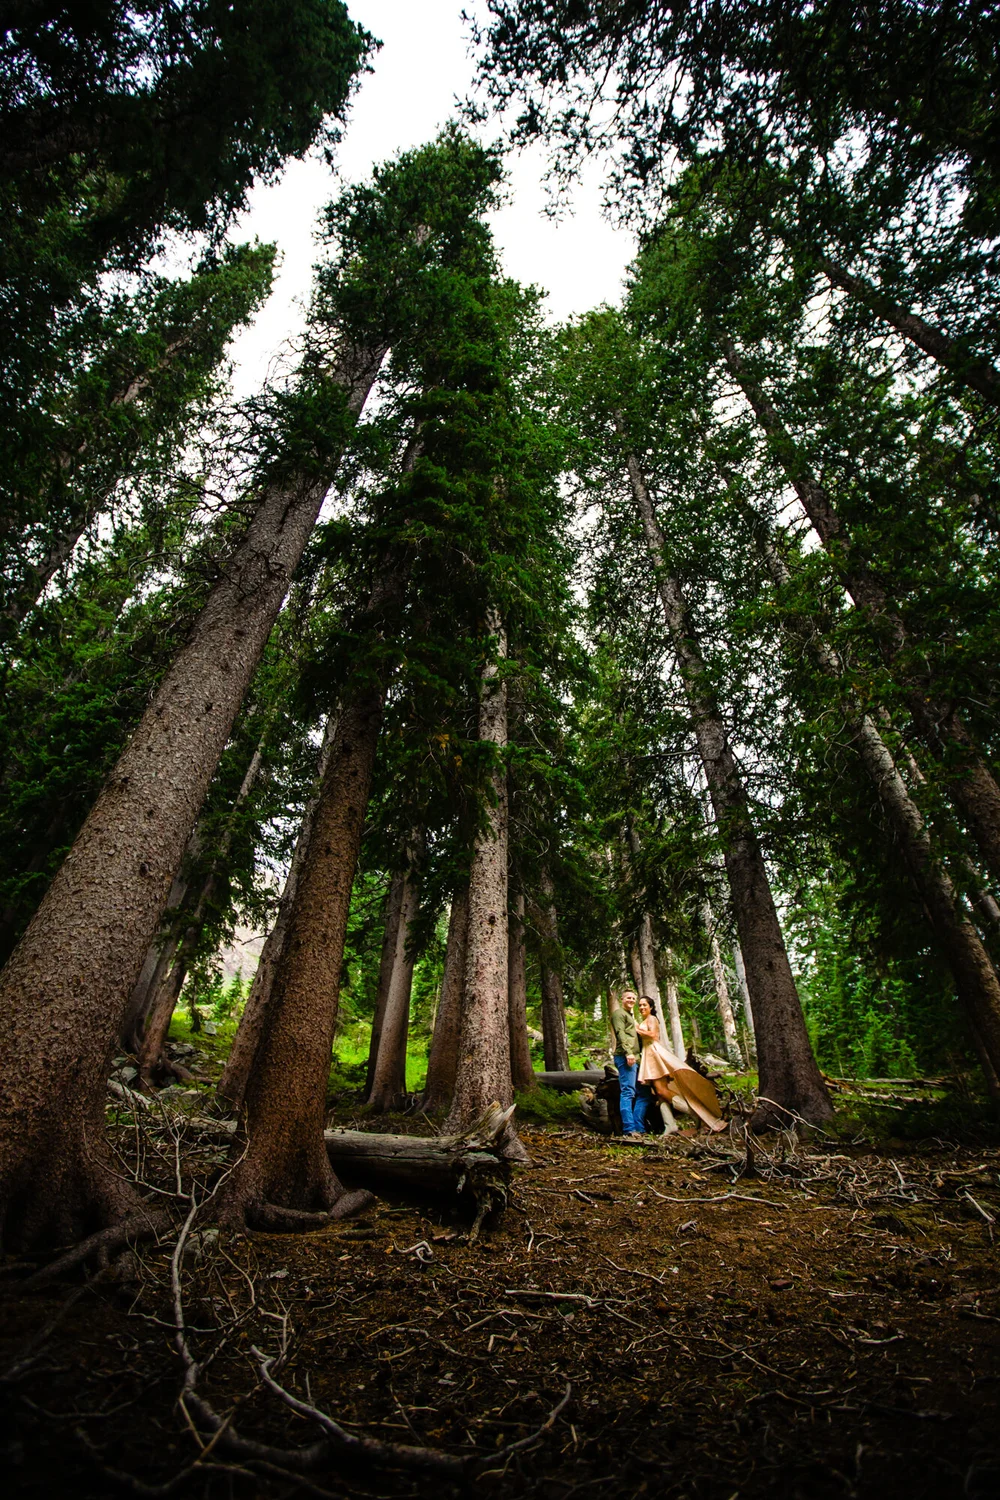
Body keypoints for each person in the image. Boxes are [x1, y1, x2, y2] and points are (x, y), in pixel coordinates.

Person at [635, 995, 727, 1133]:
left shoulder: (652, 1019)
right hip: (648, 1054)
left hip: (654, 1054)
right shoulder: (645, 1020)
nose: (641, 1007)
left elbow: (653, 1035)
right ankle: (670, 1125)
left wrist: (636, 1028)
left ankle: (697, 1115)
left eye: (644, 1005)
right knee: (660, 1095)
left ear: (651, 1007)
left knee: (662, 1091)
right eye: (640, 1005)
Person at [609, 989, 648, 1140]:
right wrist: (628, 1052)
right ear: (622, 999)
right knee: (628, 1092)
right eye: (628, 998)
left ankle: (639, 1127)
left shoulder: (631, 1016)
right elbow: (620, 1033)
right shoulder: (619, 1014)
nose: (631, 1000)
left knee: (644, 1094)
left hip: (636, 1058)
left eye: (633, 998)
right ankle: (629, 1129)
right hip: (625, 1057)